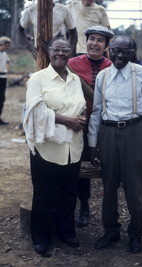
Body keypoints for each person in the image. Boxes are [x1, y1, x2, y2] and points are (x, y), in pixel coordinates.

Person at [88, 36, 142, 253]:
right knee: (108, 187)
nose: (120, 56)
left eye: (125, 52)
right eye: (116, 51)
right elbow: (97, 111)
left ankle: (136, 234)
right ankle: (111, 231)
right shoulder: (103, 75)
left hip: (134, 132)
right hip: (108, 133)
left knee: (134, 188)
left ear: (132, 52)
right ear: (109, 51)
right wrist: (93, 144)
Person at [23, 37, 86, 255]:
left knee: (69, 193)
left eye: (65, 50)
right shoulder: (38, 79)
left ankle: (66, 232)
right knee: (44, 194)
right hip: (47, 148)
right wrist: (68, 121)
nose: (61, 53)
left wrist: (82, 118)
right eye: (56, 49)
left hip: (73, 146)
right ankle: (41, 237)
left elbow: (81, 105)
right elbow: (36, 110)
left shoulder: (75, 79)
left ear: (71, 53)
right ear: (49, 52)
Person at [68, 25, 114, 227]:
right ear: (85, 42)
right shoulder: (71, 63)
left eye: (100, 40)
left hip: (106, 127)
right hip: (79, 126)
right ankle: (83, 204)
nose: (94, 43)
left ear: (106, 46)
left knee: (110, 166)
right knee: (80, 165)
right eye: (91, 39)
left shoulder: (113, 66)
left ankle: (111, 209)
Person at [0, 36, 11, 125]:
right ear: (2, 44)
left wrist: (7, 69)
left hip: (3, 77)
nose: (8, 47)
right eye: (6, 45)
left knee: (2, 98)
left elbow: (7, 62)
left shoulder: (4, 54)